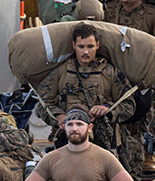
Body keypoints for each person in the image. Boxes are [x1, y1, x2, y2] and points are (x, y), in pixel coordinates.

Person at [104, 0, 155, 171]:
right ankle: (122, 152)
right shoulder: (111, 10)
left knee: (154, 114)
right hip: (121, 73)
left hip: (150, 73)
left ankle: (152, 154)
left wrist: (149, 77)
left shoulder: (154, 15)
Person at [36, 22, 136, 151]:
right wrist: (59, 116)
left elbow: (129, 105)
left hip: (102, 141)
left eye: (90, 46)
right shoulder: (61, 72)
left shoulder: (110, 72)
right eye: (81, 47)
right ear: (74, 46)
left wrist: (107, 110)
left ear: (97, 45)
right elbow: (43, 103)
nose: (86, 52)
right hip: (66, 141)